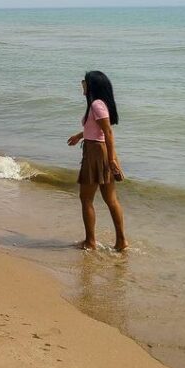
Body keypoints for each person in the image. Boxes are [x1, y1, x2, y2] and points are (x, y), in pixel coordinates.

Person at [67, 70, 128, 251]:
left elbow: (108, 132)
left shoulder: (96, 105)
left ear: (92, 85)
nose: (82, 85)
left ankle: (91, 242)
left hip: (96, 153)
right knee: (110, 199)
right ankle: (121, 242)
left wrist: (111, 159)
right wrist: (80, 136)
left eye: (84, 82)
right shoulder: (97, 105)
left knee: (86, 198)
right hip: (97, 149)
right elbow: (100, 130)